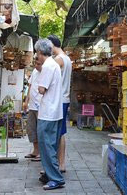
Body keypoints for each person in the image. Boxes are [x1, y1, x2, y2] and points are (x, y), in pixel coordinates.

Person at [34, 38, 65, 190]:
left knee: (46, 146)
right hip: (55, 111)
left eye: (37, 53)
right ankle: (49, 173)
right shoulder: (54, 64)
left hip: (48, 112)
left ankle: (56, 178)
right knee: (50, 145)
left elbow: (41, 89)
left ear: (40, 52)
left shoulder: (47, 66)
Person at [47, 34, 72, 173]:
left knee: (57, 132)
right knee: (60, 132)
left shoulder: (59, 60)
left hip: (59, 100)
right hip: (64, 99)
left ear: (52, 44)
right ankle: (60, 163)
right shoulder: (67, 58)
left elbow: (48, 75)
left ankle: (59, 163)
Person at [23, 56, 43, 161]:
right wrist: (26, 101)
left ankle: (42, 153)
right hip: (32, 105)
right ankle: (35, 151)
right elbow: (30, 86)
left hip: (41, 105)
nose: (36, 65)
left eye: (38, 64)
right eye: (35, 63)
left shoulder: (46, 72)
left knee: (41, 130)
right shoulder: (35, 71)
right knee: (31, 128)